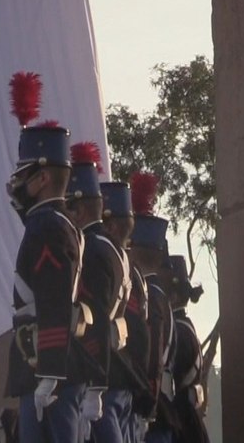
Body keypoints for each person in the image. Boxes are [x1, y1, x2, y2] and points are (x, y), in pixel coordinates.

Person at [3, 72, 84, 443]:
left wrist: (50, 375)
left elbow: (53, 300)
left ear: (43, 179)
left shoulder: (47, 228)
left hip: (45, 370)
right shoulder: (53, 224)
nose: (17, 183)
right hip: (45, 368)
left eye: (24, 173)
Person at [89, 181, 145, 443]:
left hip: (109, 372)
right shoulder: (131, 271)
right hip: (125, 371)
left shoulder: (102, 257)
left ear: (110, 225)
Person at [127, 173, 177, 443]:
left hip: (146, 403)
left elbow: (151, 352)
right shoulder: (161, 298)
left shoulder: (148, 297)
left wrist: (147, 398)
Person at [65, 142, 109, 439]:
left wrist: (96, 383)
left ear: (78, 208)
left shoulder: (90, 249)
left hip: (86, 368)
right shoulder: (108, 247)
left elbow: (97, 317)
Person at [164, 256, 209, 443]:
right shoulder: (184, 326)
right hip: (189, 419)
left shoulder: (176, 331)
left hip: (180, 421)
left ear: (172, 296)